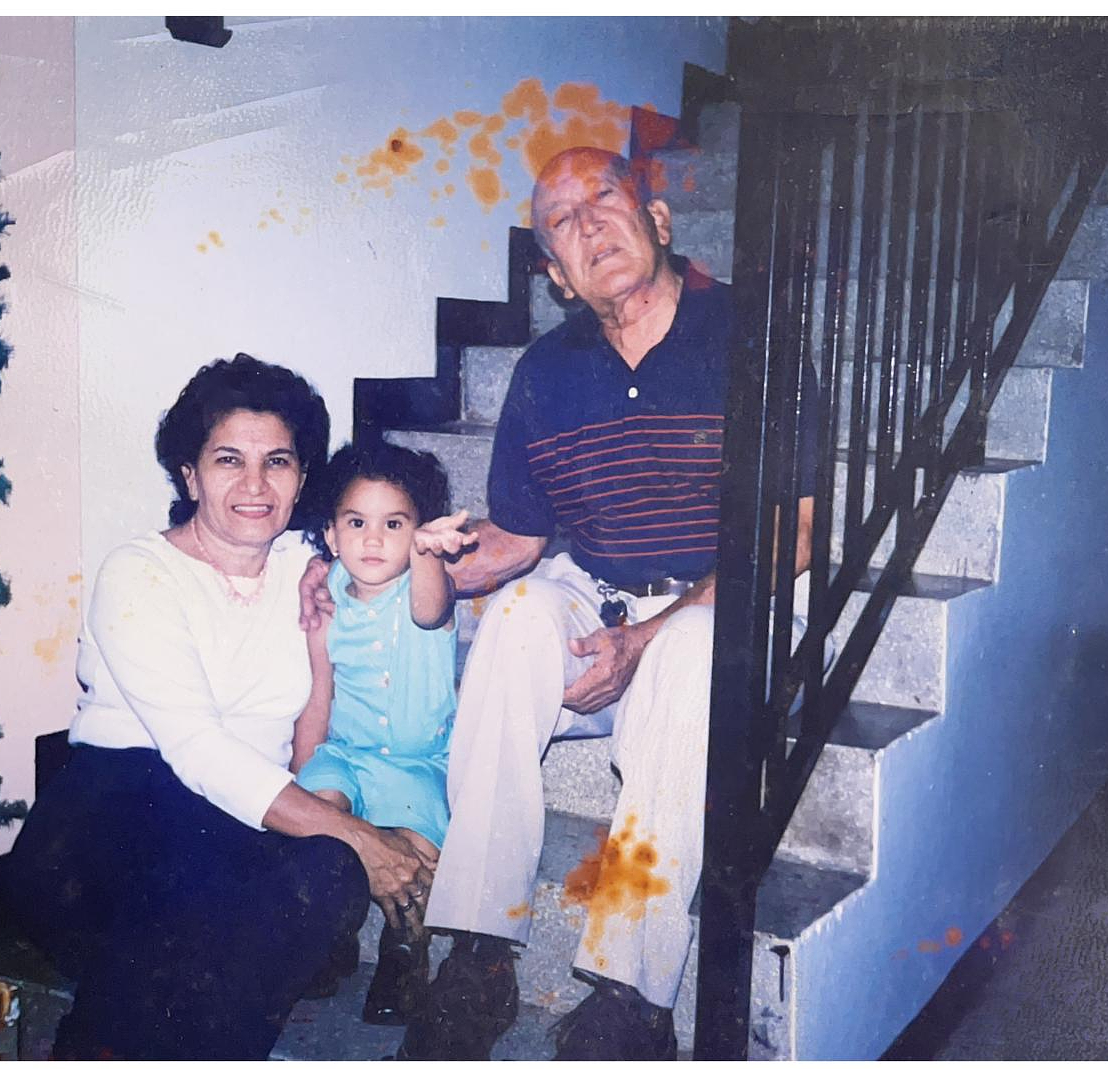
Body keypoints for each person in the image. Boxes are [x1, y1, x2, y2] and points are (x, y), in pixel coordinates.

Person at [312, 147, 821, 1059]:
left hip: (722, 601)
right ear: (553, 273)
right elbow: (519, 539)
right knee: (510, 622)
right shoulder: (547, 369)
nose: (587, 225)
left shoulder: (752, 329)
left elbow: (799, 530)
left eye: (603, 200)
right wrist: (387, 566)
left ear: (657, 221)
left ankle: (632, 990)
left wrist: (650, 634)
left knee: (693, 650)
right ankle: (477, 949)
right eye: (561, 221)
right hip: (598, 586)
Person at [2, 354, 438, 1060]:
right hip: (108, 821)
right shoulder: (140, 572)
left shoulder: (312, 567)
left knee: (323, 870)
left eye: (279, 461)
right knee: (196, 846)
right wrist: (359, 834)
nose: (255, 484)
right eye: (229, 458)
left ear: (303, 479)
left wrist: (368, 825)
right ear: (189, 474)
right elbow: (197, 752)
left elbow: (335, 711)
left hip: (233, 830)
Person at [291, 442, 477, 1025]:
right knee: (319, 812)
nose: (373, 540)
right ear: (331, 534)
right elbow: (320, 694)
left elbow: (429, 608)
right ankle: (331, 928)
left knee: (416, 849)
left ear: (418, 532)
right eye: (357, 523)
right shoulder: (325, 602)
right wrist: (300, 777)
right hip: (345, 753)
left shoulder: (425, 593)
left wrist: (427, 556)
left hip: (417, 762)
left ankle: (404, 950)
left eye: (394, 524)